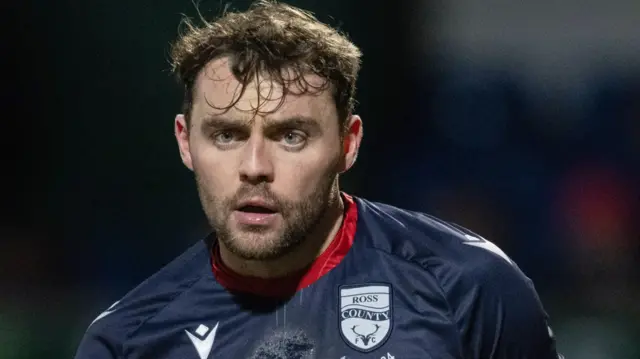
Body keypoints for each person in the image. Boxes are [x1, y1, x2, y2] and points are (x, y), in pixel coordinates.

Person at [74, 1, 562, 358]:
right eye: (226, 135)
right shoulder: (128, 341)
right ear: (185, 143)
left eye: (291, 136)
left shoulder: (469, 290)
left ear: (348, 143)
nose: (255, 166)